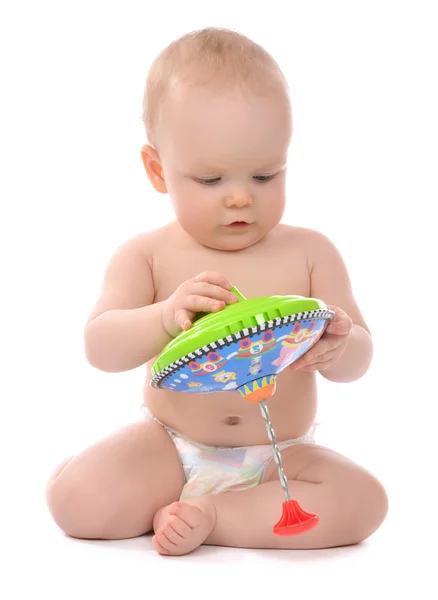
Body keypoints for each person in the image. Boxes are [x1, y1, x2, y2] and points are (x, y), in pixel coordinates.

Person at [46, 27, 388, 556]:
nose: (238, 198)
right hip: (171, 447)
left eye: (264, 175)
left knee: (365, 502)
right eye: (210, 180)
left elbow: (359, 356)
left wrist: (340, 345)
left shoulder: (311, 252)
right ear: (158, 171)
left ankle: (212, 515)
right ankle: (156, 493)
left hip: (282, 458)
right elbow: (99, 347)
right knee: (77, 503)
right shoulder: (147, 255)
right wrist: (163, 316)